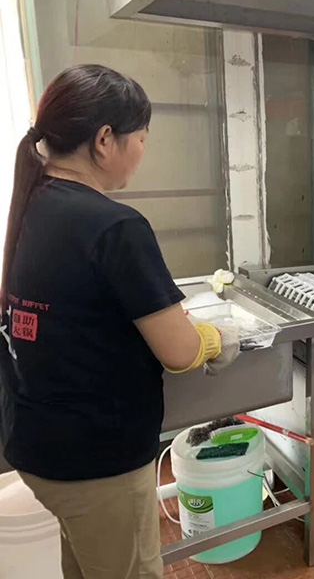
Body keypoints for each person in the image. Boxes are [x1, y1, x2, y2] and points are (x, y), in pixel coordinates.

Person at [0, 65, 239, 578]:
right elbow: (180, 352)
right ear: (105, 139)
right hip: (97, 459)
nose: (142, 152)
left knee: (86, 566)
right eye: (142, 139)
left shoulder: (34, 202)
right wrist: (215, 338)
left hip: (36, 443)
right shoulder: (114, 225)